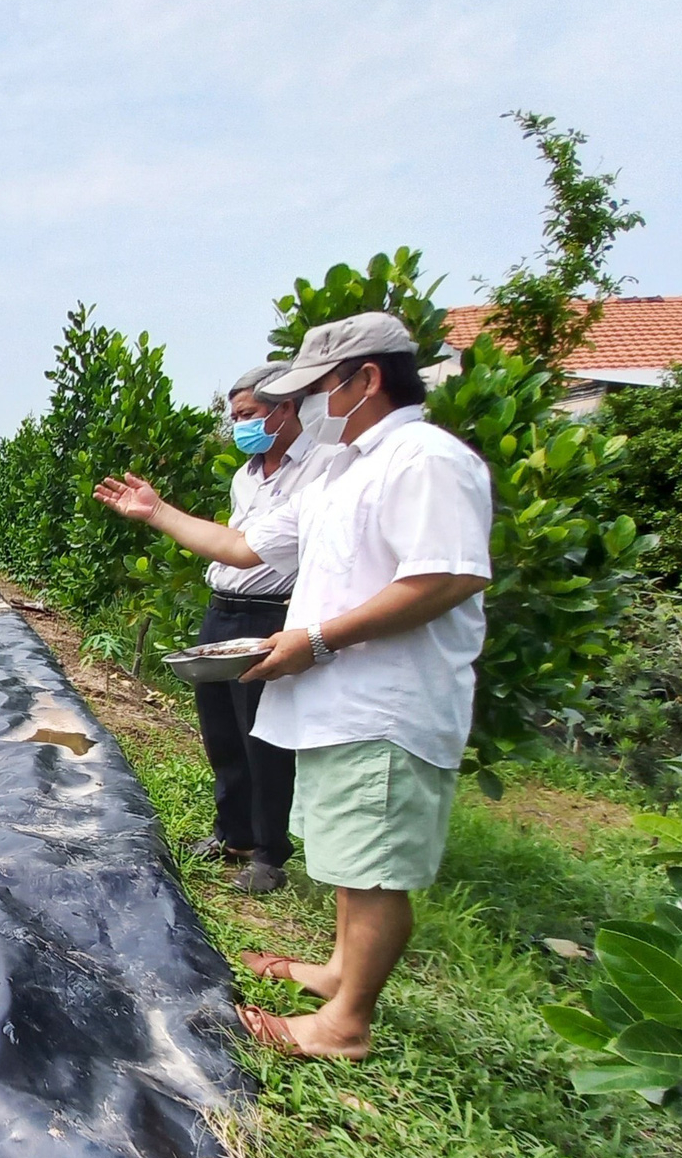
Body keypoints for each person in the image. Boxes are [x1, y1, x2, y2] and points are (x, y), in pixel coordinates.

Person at [94, 311, 492, 1059]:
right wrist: (156, 513)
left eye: (318, 390)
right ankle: (340, 970)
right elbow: (245, 546)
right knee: (349, 852)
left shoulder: (423, 459)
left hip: (389, 701)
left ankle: (345, 1026)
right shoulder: (347, 471)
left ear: (367, 379)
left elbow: (447, 575)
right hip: (345, 699)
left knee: (373, 868)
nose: (308, 409)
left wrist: (316, 638)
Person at [188, 362, 328, 894]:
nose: (239, 425)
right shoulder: (245, 476)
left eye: (247, 414)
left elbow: (259, 551)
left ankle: (270, 853)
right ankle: (234, 834)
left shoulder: (317, 470)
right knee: (221, 728)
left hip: (272, 612)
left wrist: (157, 511)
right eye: (235, 415)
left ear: (285, 408)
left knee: (263, 735)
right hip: (223, 607)